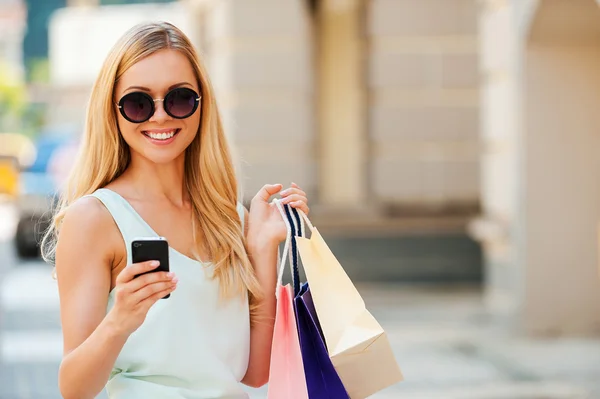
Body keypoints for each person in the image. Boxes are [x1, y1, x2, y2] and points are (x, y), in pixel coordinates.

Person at [42, 21, 309, 399]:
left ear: (201, 105)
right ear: (113, 112)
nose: (160, 116)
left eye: (179, 98)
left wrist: (264, 247)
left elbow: (254, 372)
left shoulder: (229, 217)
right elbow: (74, 387)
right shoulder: (96, 219)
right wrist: (119, 321)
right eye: (138, 103)